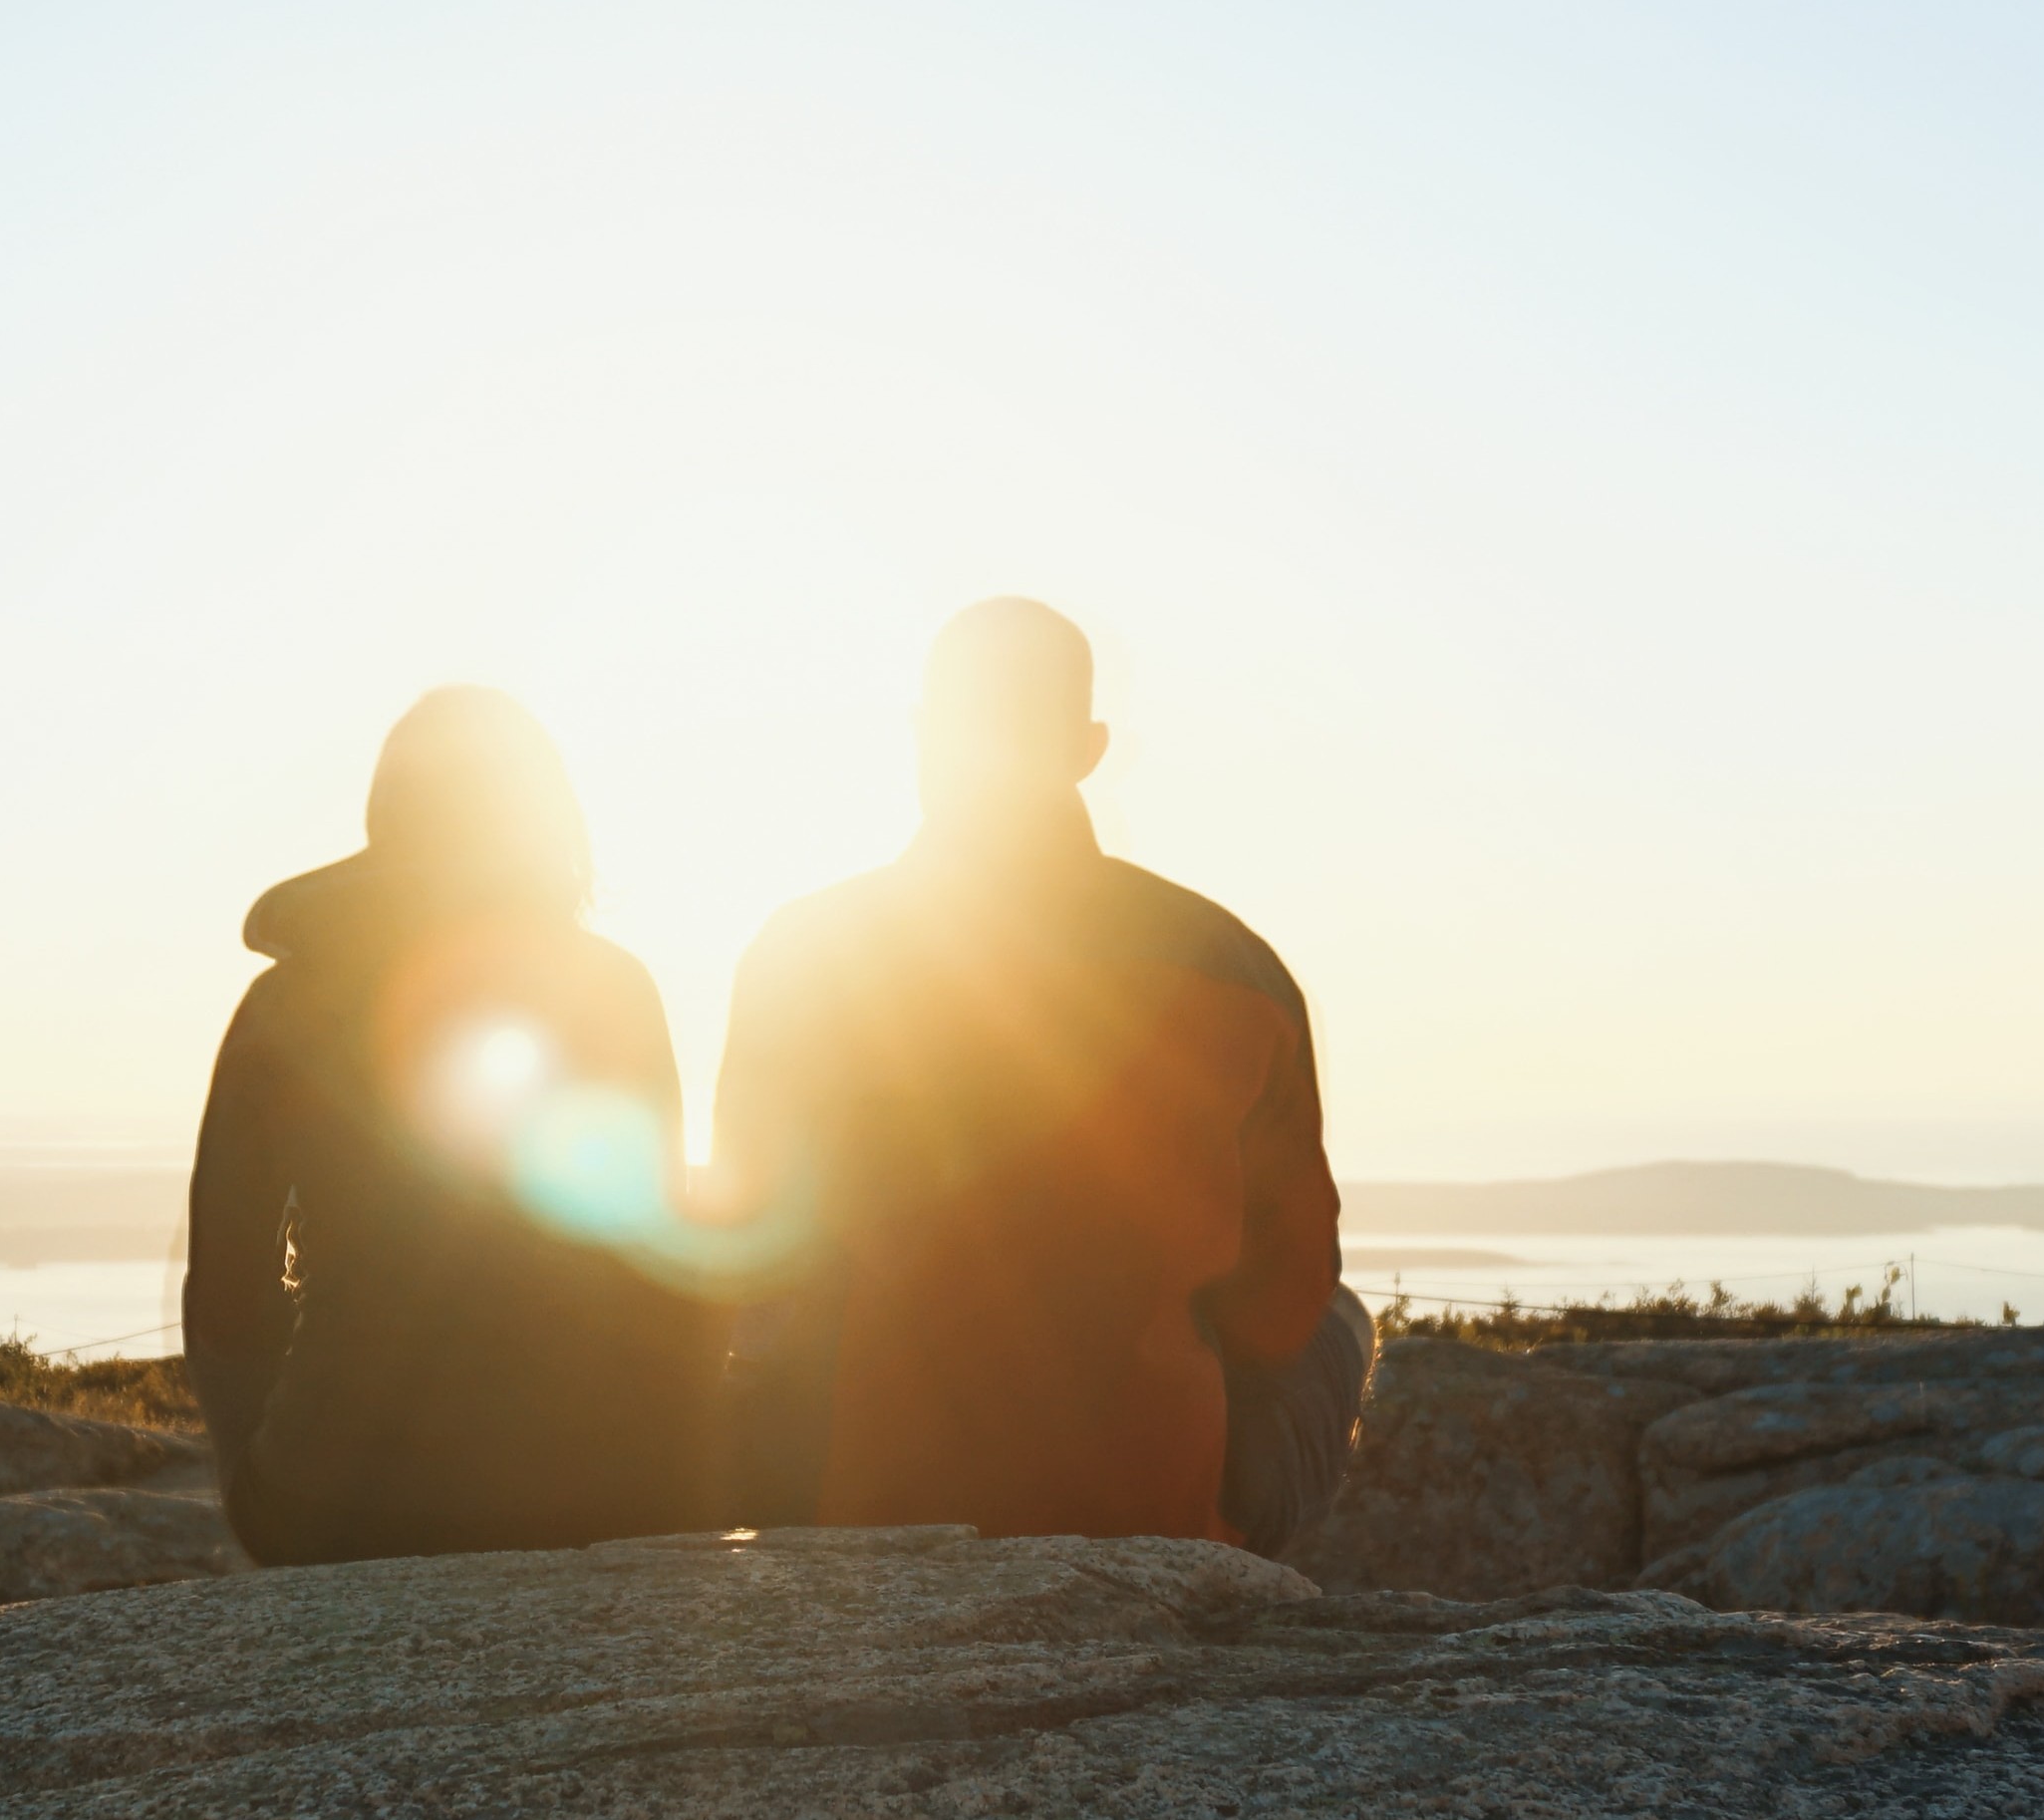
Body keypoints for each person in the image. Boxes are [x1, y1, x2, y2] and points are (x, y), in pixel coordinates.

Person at [712, 600, 1368, 1549]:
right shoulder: (1236, 969)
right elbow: (1292, 1279)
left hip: (859, 1500)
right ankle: (1235, 1577)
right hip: (1147, 1508)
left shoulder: (805, 955)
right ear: (1088, 748)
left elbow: (747, 1245)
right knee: (1342, 1320)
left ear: (925, 736)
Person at [184, 687, 729, 1564]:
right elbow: (669, 1276)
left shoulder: (282, 1006)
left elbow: (224, 1304)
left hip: (333, 1504)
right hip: (591, 1496)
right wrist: (672, 1489)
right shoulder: (612, 989)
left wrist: (261, 1472)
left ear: (385, 816)